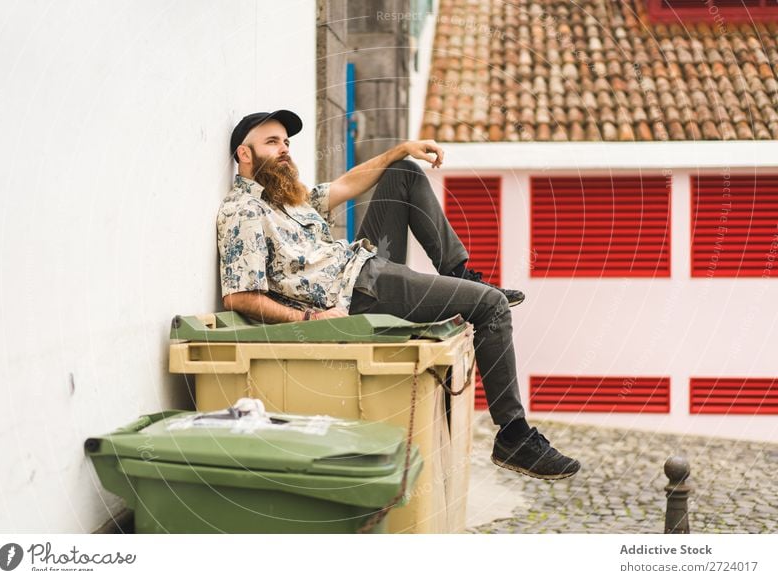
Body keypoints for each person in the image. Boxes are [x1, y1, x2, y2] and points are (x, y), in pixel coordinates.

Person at [217, 109, 580, 480]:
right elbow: (239, 296)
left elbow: (346, 184)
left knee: (403, 173)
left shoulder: (289, 197)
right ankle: (513, 438)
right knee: (492, 307)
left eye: (286, 142)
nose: (284, 150)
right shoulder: (243, 212)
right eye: (272, 142)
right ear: (244, 154)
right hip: (357, 294)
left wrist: (400, 149)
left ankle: (458, 273)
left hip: (365, 269)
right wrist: (311, 319)